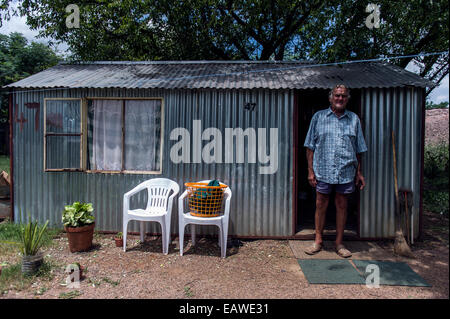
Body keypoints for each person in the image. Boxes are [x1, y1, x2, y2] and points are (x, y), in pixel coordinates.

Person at [303, 84, 367, 258]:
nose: (340, 99)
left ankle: (339, 243)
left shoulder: (353, 119)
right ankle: (318, 241)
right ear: (331, 98)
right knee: (320, 204)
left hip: (346, 171)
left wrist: (359, 172)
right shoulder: (319, 117)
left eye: (344, 96)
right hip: (322, 170)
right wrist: (310, 171)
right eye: (337, 96)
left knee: (342, 205)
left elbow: (359, 149)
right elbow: (309, 146)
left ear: (347, 99)